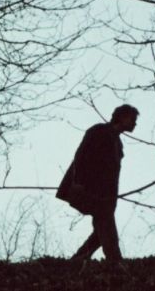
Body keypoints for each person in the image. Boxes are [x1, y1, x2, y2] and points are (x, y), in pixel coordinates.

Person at [56, 104, 139, 262]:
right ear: (122, 117)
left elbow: (111, 174)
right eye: (132, 119)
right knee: (106, 226)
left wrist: (111, 198)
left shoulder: (118, 143)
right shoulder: (99, 131)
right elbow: (81, 155)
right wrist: (78, 182)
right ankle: (115, 262)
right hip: (87, 190)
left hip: (105, 195)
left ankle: (78, 260)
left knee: (102, 230)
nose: (135, 123)